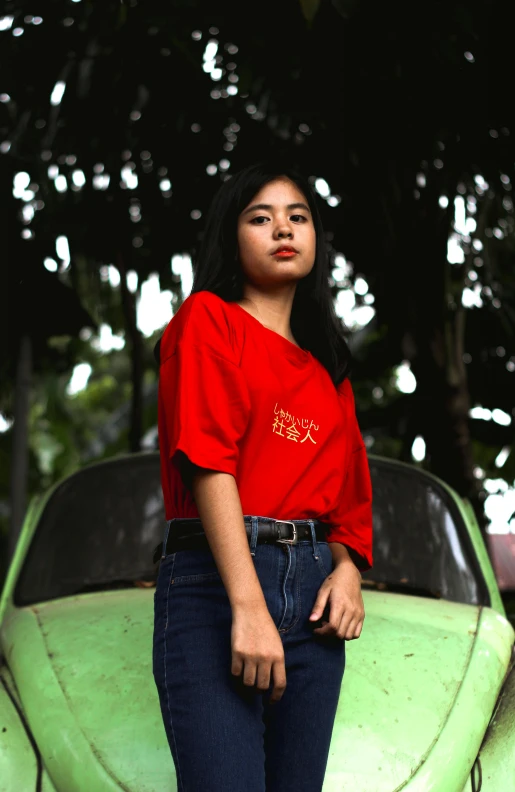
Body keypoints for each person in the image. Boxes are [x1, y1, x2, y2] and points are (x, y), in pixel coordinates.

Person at [152, 160, 373, 792]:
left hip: (312, 601)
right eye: (261, 217)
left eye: (297, 217)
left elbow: (350, 500)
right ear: (232, 236)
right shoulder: (207, 321)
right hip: (213, 583)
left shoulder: (329, 371)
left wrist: (349, 573)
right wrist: (247, 605)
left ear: (314, 240)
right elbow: (207, 460)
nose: (283, 228)